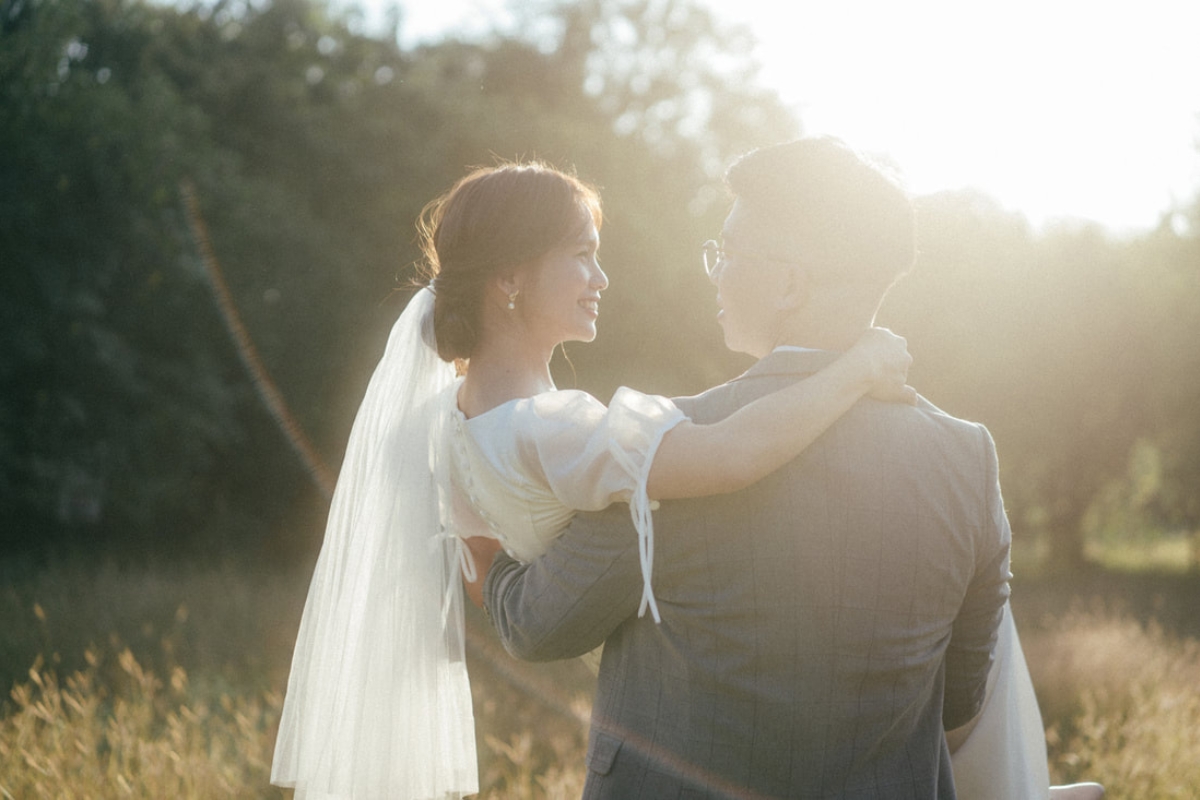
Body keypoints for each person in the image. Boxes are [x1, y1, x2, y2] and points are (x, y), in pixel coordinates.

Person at [270, 160, 916, 799]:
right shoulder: (554, 429)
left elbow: (479, 566)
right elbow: (730, 456)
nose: (601, 278)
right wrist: (859, 368)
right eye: (582, 255)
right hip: (693, 712)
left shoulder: (443, 421)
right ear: (509, 278)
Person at [476, 136, 1085, 798]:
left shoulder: (673, 443)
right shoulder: (968, 458)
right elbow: (963, 695)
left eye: (728, 253)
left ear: (789, 282)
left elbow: (541, 625)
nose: (714, 272)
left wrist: (487, 543)